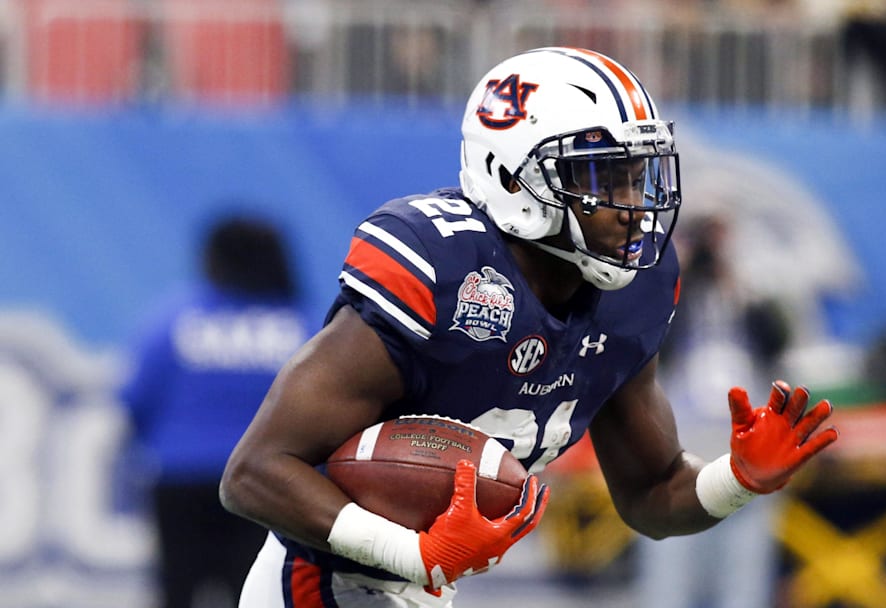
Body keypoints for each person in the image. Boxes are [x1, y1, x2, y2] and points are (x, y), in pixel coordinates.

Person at [220, 46, 839, 608]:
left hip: (425, 587)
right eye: (600, 178)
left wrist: (737, 479)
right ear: (514, 178)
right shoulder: (442, 268)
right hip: (323, 584)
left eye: (635, 176)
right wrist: (415, 554)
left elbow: (653, 495)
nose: (631, 207)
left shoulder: (632, 293)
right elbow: (255, 472)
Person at [120, 213, 311, 608]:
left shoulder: (175, 320)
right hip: (265, 486)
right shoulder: (302, 327)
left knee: (178, 592)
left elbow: (134, 398)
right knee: (257, 594)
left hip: (181, 482)